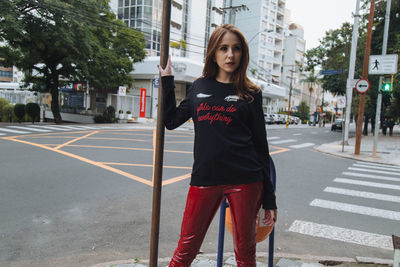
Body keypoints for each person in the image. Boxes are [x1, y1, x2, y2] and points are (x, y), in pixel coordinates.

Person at [158, 24, 277, 267]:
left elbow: (261, 147)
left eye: (236, 49)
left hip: (246, 180)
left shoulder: (251, 92)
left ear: (243, 53)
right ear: (214, 52)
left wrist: (269, 199)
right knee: (185, 250)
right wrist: (168, 81)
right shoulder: (199, 87)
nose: (230, 55)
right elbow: (170, 121)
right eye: (223, 48)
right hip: (204, 179)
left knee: (245, 254)